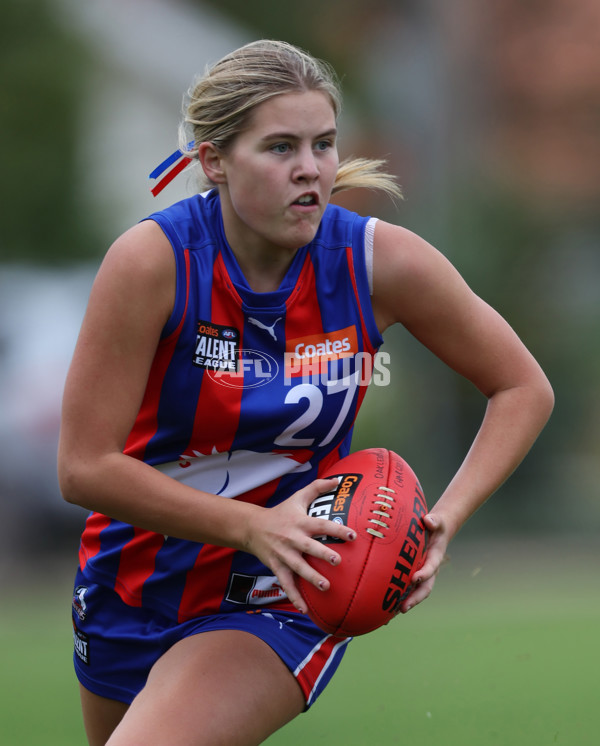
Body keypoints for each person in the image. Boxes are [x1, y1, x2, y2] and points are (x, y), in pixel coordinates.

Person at [58, 39, 554, 746]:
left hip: (285, 591)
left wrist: (445, 518)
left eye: (323, 144)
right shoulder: (153, 262)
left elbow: (521, 386)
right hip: (132, 578)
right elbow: (83, 467)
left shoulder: (381, 261)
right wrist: (250, 524)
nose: (311, 170)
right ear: (214, 161)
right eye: (280, 147)